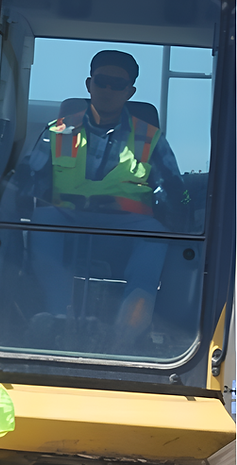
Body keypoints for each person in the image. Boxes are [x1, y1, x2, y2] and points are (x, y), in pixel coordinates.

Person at [23, 50, 189, 341]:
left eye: (118, 84)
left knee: (156, 234)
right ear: (89, 84)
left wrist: (181, 214)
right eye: (102, 81)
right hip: (67, 220)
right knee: (41, 217)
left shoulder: (151, 139)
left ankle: (127, 335)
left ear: (130, 91)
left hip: (127, 226)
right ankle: (58, 319)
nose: (108, 89)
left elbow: (176, 193)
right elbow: (27, 184)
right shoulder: (56, 132)